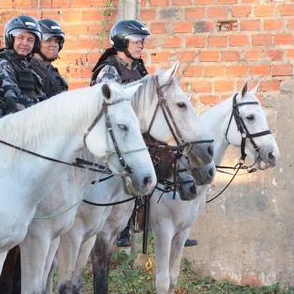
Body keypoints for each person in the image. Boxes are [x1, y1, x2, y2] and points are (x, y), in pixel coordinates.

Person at [90, 20, 198, 247]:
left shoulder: (138, 67)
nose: (141, 45)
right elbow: (111, 106)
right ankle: (123, 225)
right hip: (115, 133)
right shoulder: (109, 69)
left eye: (141, 41)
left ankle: (171, 224)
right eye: (136, 41)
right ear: (122, 42)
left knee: (174, 154)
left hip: (137, 129)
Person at [0, 15, 46, 107]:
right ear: (11, 39)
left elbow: (41, 95)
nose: (25, 43)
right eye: (20, 37)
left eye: (30, 40)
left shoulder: (28, 66)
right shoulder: (4, 63)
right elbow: (12, 96)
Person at [31, 19, 69, 98]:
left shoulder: (51, 70)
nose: (54, 44)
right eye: (48, 40)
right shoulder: (30, 70)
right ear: (36, 44)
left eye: (56, 41)